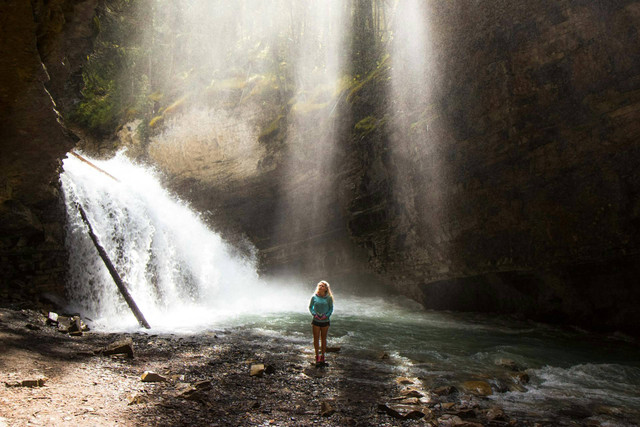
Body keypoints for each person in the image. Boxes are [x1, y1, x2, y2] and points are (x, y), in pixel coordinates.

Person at [309, 280, 333, 365]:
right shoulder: (314, 297)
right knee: (316, 338)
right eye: (320, 285)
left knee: (323, 339)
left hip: (325, 321)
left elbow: (331, 308)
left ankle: (323, 355)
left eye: (323, 286)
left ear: (326, 288)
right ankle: (316, 356)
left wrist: (326, 316)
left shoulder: (329, 298)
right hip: (316, 321)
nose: (321, 287)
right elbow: (310, 307)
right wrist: (314, 314)